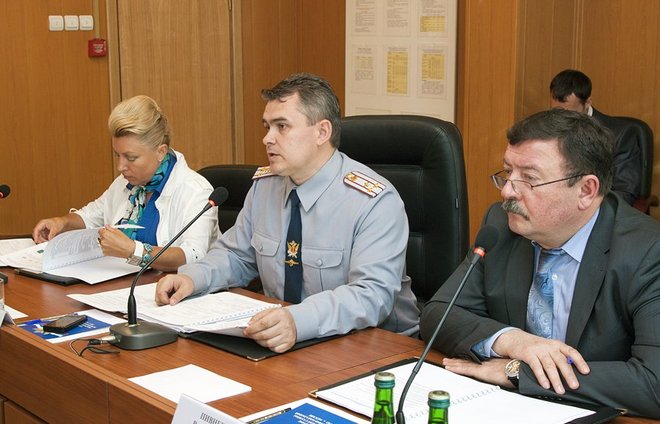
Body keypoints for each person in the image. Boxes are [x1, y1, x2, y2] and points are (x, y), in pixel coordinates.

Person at [419, 109, 660, 418]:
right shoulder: (503, 225)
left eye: (529, 179)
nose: (507, 191)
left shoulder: (647, 252)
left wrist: (519, 372)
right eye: (508, 172)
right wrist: (513, 341)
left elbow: (653, 382)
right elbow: (438, 313)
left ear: (586, 190)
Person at [155, 73, 419, 353]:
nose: (267, 139)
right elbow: (236, 256)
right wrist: (192, 278)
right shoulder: (265, 187)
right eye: (267, 127)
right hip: (282, 341)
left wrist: (298, 321)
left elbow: (371, 295)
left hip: (373, 347)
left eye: (282, 126)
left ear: (322, 132)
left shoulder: (373, 201)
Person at [32, 95, 218, 272]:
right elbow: (90, 217)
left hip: (174, 289)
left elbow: (194, 254)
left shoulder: (196, 190)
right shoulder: (126, 183)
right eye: (117, 155)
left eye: (131, 157)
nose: (121, 166)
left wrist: (133, 250)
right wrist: (61, 222)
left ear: (160, 152)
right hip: (123, 285)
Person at [549, 69, 641, 205]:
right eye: (556, 112)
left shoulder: (620, 134)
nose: (562, 118)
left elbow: (625, 192)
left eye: (570, 113)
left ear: (588, 102)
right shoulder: (548, 128)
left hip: (593, 207)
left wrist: (583, 208)